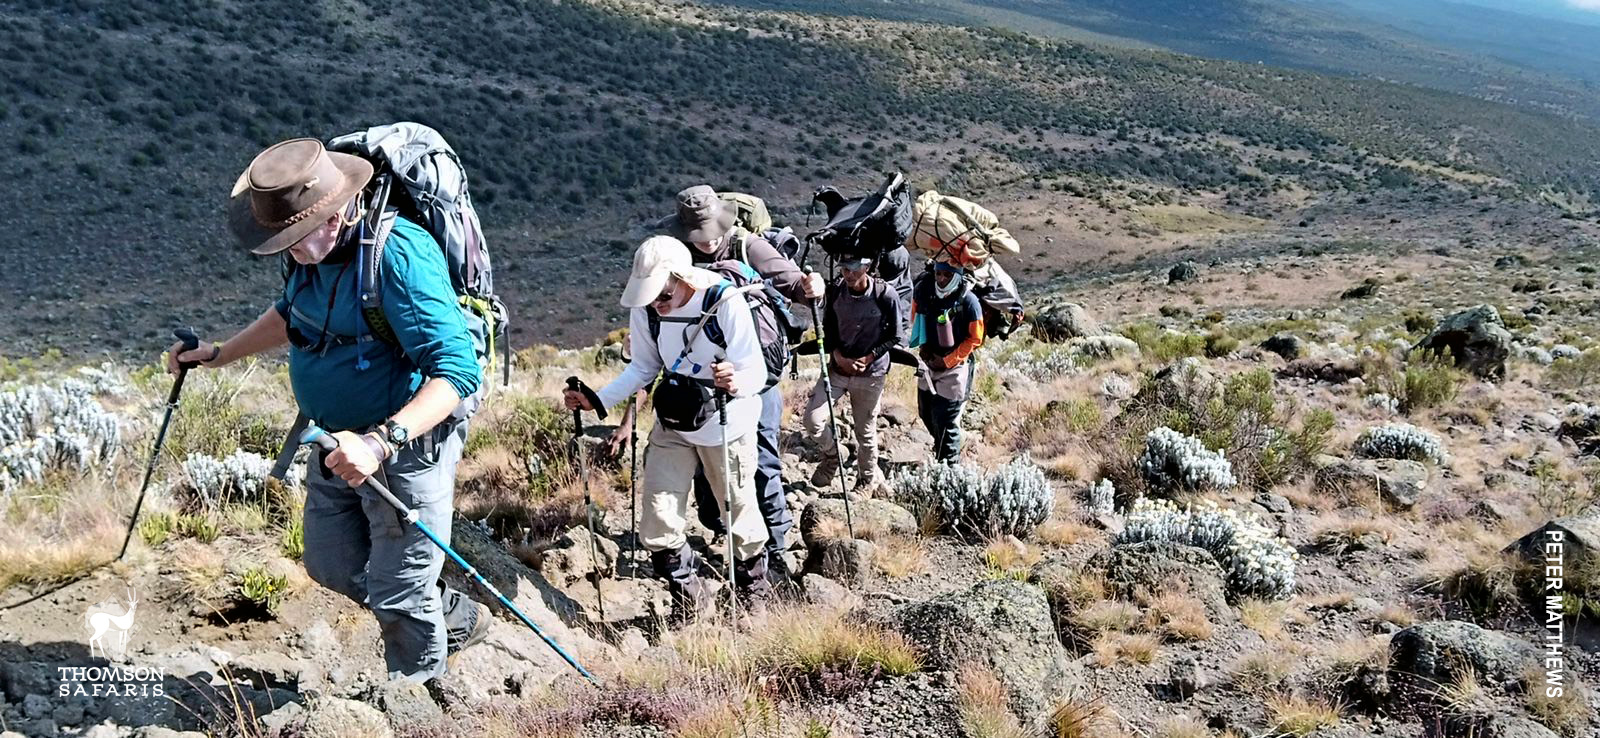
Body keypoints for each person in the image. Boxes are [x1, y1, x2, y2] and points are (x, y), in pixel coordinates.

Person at [166, 139, 489, 682]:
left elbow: (457, 374)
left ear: (336, 213)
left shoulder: (399, 257)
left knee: (398, 591)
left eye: (293, 237)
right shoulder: (308, 258)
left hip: (403, 451)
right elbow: (290, 314)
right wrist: (219, 355)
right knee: (330, 565)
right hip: (334, 444)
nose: (287, 249)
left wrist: (381, 441)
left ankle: (416, 700)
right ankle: (449, 615)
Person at [565, 236, 772, 612]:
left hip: (727, 421)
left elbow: (755, 369)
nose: (657, 306)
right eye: (650, 298)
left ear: (683, 279)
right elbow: (644, 366)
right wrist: (597, 400)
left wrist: (735, 380)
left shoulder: (724, 302)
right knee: (658, 518)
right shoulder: (646, 309)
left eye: (663, 296)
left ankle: (753, 592)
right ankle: (690, 598)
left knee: (738, 513)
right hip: (674, 421)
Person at [662, 186, 823, 578]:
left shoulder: (745, 245)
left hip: (754, 377)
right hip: (700, 381)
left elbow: (793, 283)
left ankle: (775, 545)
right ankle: (728, 530)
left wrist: (809, 286)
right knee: (705, 462)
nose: (707, 238)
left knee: (762, 458)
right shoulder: (676, 255)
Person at [804, 256, 905, 497]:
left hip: (871, 373)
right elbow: (827, 331)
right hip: (838, 369)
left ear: (866, 267)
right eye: (844, 268)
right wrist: (838, 355)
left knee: (865, 431)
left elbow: (895, 335)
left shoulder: (885, 295)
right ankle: (833, 454)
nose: (848, 274)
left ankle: (865, 481)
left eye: (853, 269)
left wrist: (869, 358)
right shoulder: (836, 292)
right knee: (812, 420)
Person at [909, 261, 985, 462]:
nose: (941, 279)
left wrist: (948, 360)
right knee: (926, 412)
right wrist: (923, 347)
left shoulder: (969, 302)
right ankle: (941, 449)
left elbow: (975, 339)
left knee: (946, 418)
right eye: (939, 274)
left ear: (958, 276)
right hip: (929, 360)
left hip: (956, 367)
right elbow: (916, 318)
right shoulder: (925, 292)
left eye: (947, 276)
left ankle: (949, 466)